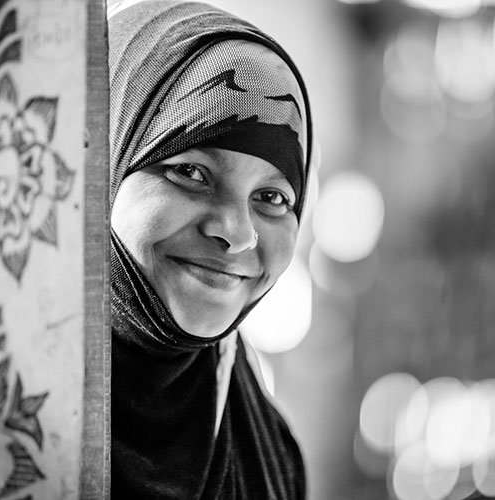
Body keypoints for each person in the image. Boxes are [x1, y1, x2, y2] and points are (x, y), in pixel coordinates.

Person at [107, 1, 313, 497]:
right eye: (191, 172)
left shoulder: (272, 457)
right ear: (99, 169)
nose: (238, 234)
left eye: (271, 198)